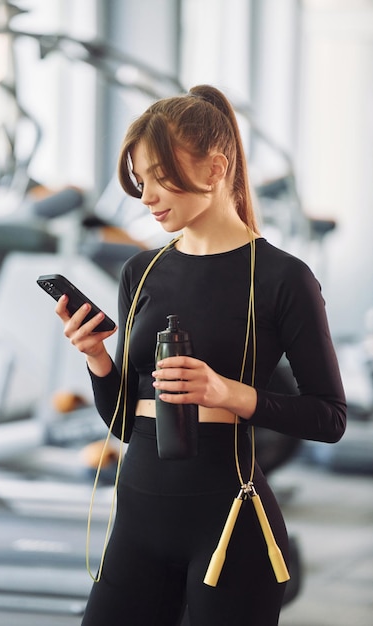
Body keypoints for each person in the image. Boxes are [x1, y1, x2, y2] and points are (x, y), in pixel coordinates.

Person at [55, 84, 346, 626]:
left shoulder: (283, 278)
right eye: (140, 181)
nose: (145, 197)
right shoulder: (140, 273)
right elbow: (123, 422)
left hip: (230, 529)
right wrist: (97, 357)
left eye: (159, 178)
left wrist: (226, 393)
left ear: (215, 170)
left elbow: (331, 418)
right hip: (137, 523)